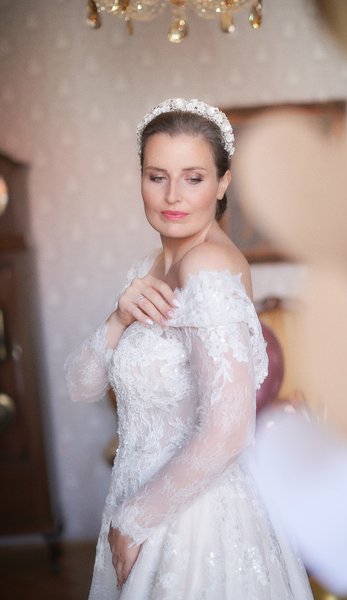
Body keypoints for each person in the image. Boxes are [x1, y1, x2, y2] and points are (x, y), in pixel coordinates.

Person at [65, 98, 313, 600]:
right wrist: (118, 317)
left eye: (193, 177)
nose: (172, 195)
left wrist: (134, 521)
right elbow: (80, 386)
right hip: (141, 495)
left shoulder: (209, 268)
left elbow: (228, 429)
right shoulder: (144, 269)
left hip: (194, 519)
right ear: (140, 179)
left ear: (222, 183)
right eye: (157, 176)